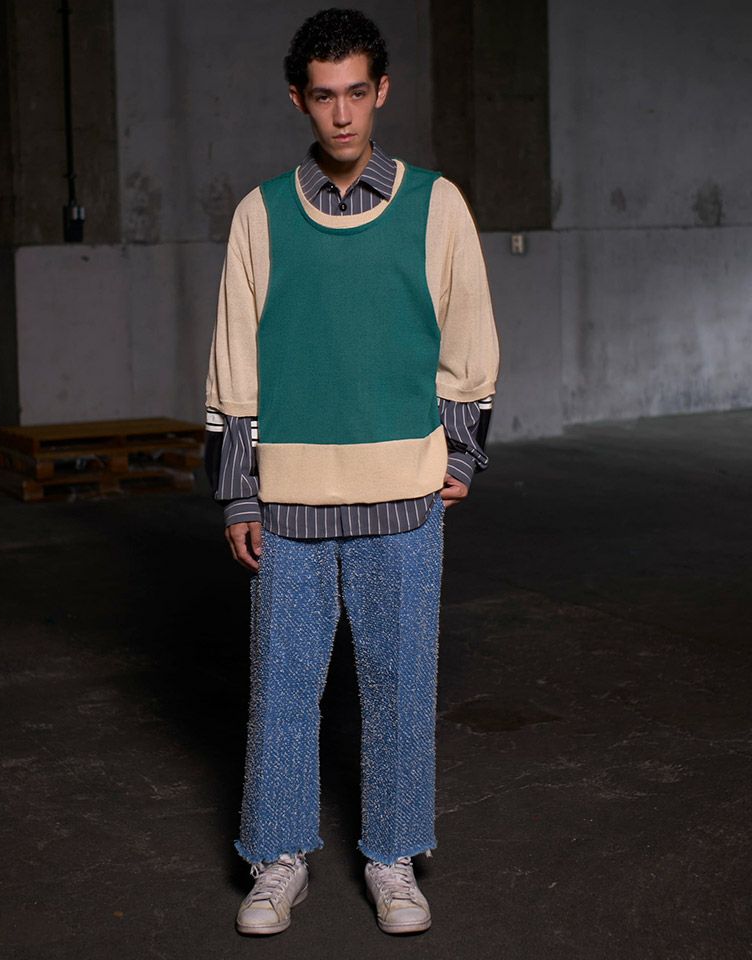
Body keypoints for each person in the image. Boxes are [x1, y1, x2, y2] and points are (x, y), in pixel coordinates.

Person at [204, 7, 499, 937]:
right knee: (283, 687)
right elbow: (233, 361)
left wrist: (460, 447)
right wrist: (238, 489)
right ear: (300, 100)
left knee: (400, 685)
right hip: (289, 499)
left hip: (405, 492)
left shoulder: (436, 205)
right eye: (324, 96)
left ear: (382, 93)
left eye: (357, 93)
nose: (341, 114)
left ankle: (394, 856)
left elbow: (468, 331)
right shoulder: (260, 215)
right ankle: (277, 855)